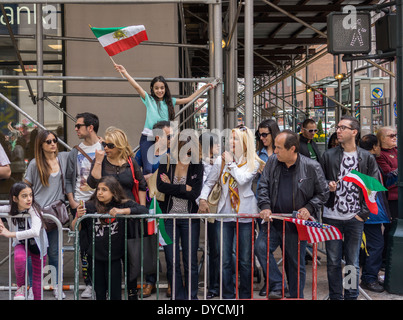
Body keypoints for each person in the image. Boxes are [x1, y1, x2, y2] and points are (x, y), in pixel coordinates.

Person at [256, 130, 329, 299]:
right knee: (261, 248)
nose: (275, 151)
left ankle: (296, 296)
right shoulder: (273, 161)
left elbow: (323, 193)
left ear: (292, 149)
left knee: (295, 264)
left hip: (296, 224)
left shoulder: (311, 166)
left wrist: (309, 208)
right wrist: (265, 206)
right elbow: (263, 186)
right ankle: (277, 284)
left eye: (279, 148)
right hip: (274, 221)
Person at [198, 125, 265, 299]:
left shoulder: (253, 161)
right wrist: (203, 199)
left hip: (245, 214)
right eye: (230, 138)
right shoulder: (221, 161)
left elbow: (242, 180)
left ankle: (245, 295)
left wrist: (230, 163)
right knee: (224, 259)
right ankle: (227, 295)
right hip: (223, 214)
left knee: (244, 259)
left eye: (234, 138)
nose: (230, 141)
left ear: (244, 142)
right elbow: (210, 182)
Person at [114, 63, 214, 176]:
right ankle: (148, 190)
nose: (159, 91)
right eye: (156, 88)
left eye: (162, 88)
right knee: (147, 168)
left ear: (165, 88)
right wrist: (125, 72)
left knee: (171, 164)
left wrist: (203, 88)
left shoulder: (170, 101)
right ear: (152, 89)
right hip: (148, 137)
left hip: (165, 139)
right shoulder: (149, 99)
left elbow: (189, 99)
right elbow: (137, 87)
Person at [320, 116, 380, 300]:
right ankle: (336, 296)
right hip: (331, 216)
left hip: (355, 217)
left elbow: (374, 186)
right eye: (337, 127)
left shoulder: (366, 157)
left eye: (343, 128)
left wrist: (362, 214)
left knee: (352, 263)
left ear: (354, 132)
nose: (338, 130)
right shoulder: (328, 155)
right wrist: (327, 186)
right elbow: (319, 181)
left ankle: (351, 296)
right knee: (332, 261)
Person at [87, 126, 147, 299]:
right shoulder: (102, 160)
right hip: (108, 214)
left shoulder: (130, 161)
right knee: (110, 254)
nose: (106, 147)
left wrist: (140, 211)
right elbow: (93, 183)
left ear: (120, 145)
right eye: (105, 144)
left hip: (128, 213)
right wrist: (98, 161)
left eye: (110, 145)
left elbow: (141, 185)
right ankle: (106, 291)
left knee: (130, 257)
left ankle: (132, 291)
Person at [72, 176, 149, 300]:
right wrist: (78, 217)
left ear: (113, 192)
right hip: (95, 256)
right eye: (98, 189)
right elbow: (74, 227)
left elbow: (144, 210)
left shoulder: (122, 204)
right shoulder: (89, 206)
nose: (100, 192)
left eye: (104, 189)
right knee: (100, 293)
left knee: (115, 294)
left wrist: (123, 211)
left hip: (114, 257)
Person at [156, 131, 204, 300]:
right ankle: (177, 296)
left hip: (190, 218)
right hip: (169, 218)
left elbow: (195, 193)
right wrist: (185, 188)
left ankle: (191, 297)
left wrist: (174, 187)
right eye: (185, 151)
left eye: (191, 152)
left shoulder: (198, 165)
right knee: (172, 259)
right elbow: (161, 186)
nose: (188, 155)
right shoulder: (166, 160)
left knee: (190, 260)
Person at [24, 129, 69, 299]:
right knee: (35, 253)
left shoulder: (63, 159)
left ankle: (55, 285)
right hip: (37, 213)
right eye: (48, 141)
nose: (52, 144)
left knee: (55, 253)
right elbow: (26, 186)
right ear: (41, 145)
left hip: (55, 214)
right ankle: (33, 287)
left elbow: (80, 152)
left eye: (54, 140)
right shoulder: (35, 164)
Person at [134, 120, 173, 297]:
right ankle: (151, 282)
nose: (172, 138)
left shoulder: (176, 153)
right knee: (150, 245)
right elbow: (134, 173)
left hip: (169, 205)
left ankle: (173, 281)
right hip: (150, 203)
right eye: (169, 135)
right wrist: (145, 176)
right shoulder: (144, 152)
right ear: (158, 136)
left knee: (169, 244)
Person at [65, 112, 102, 298]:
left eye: (79, 125)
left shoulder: (104, 148)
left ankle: (102, 283)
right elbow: (69, 179)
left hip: (100, 205)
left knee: (103, 245)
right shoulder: (74, 152)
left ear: (90, 128)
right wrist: (71, 200)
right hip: (80, 204)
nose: (76, 129)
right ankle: (89, 283)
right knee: (84, 248)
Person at [0, 182, 48, 300]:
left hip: (38, 246)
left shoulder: (35, 210)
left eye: (30, 195)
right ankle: (20, 287)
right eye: (24, 196)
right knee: (19, 258)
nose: (29, 199)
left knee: (37, 282)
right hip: (21, 244)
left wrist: (9, 233)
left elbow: (35, 231)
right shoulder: (10, 209)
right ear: (15, 198)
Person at [358, 134, 391, 293]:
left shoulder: (364, 161)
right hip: (370, 214)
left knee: (368, 246)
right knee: (375, 245)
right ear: (374, 147)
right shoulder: (369, 163)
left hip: (370, 213)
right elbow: (372, 191)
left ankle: (367, 277)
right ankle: (369, 278)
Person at [199, 132, 220, 299]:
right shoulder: (199, 164)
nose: (219, 147)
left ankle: (226, 284)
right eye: (216, 144)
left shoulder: (221, 161)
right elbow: (202, 186)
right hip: (210, 210)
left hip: (223, 209)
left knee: (225, 250)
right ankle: (213, 286)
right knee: (214, 249)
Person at [376, 126, 398, 265]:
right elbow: (388, 177)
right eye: (391, 135)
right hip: (391, 198)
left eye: (395, 135)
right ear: (382, 139)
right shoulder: (381, 155)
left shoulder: (396, 151)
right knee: (391, 228)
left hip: (398, 195)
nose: (394, 137)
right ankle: (386, 259)